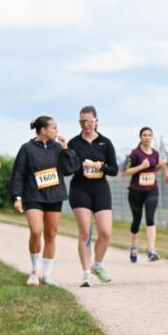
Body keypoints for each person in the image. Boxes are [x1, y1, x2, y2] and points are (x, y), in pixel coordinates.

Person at [9, 116, 79, 286]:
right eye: (54, 128)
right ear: (43, 130)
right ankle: (34, 270)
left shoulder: (58, 148)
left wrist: (67, 149)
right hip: (33, 195)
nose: (57, 131)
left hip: (54, 196)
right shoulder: (27, 148)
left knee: (51, 234)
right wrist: (17, 197)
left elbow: (71, 170)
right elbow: (18, 173)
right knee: (36, 231)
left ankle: (47, 274)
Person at [67, 106, 117, 287]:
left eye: (88, 121)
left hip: (100, 189)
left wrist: (100, 166)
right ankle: (86, 272)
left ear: (96, 121)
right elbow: (68, 169)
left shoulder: (105, 142)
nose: (85, 125)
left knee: (105, 232)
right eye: (82, 121)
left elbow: (114, 170)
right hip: (80, 189)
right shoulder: (74, 143)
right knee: (85, 232)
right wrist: (81, 165)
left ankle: (97, 264)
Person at [123, 127, 164, 263]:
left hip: (151, 189)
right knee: (136, 220)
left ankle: (151, 250)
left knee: (150, 218)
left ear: (152, 137)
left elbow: (154, 168)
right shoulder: (135, 154)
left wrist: (161, 166)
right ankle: (134, 246)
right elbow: (125, 171)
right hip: (136, 191)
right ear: (140, 137)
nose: (147, 137)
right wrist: (141, 167)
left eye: (149, 135)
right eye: (144, 135)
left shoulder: (156, 153)